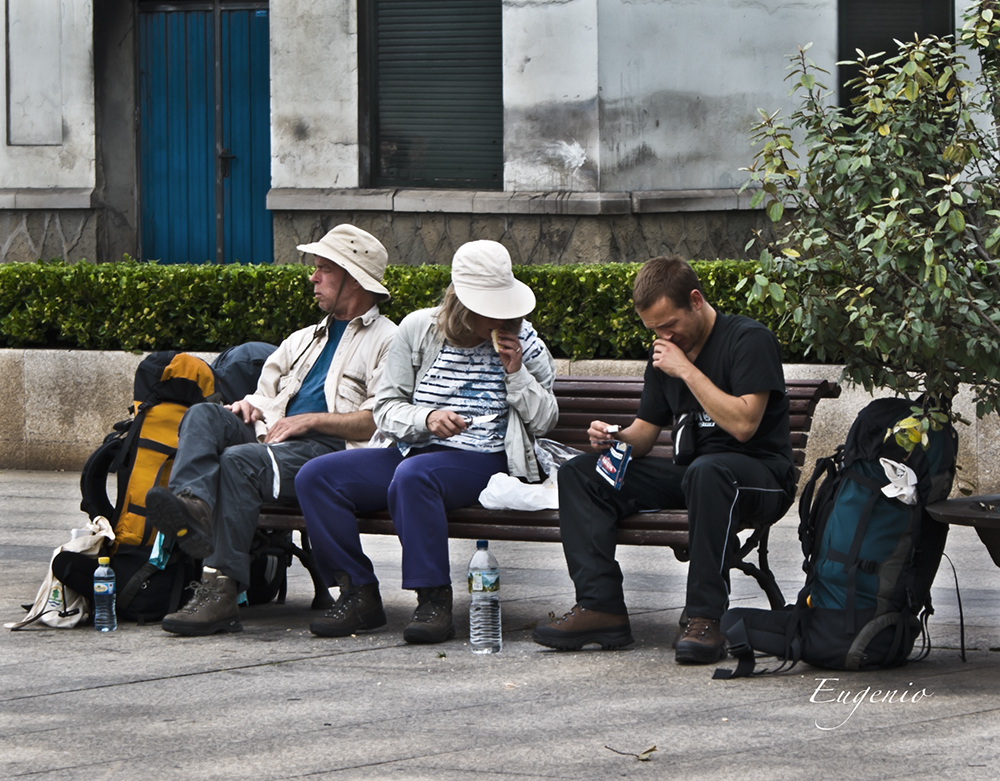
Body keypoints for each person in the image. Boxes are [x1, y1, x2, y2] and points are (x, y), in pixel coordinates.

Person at [532, 255, 795, 664]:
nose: (664, 337)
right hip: (696, 477)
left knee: (710, 471)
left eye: (669, 325)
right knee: (580, 474)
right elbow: (644, 435)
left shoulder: (748, 339)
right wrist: (613, 437)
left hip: (759, 477)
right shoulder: (664, 356)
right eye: (654, 330)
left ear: (695, 300)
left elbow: (744, 424)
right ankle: (600, 607)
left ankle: (705, 618)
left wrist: (687, 371)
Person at [295, 240, 558, 644]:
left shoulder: (526, 342)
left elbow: (545, 421)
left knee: (415, 477)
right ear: (462, 304)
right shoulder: (420, 329)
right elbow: (386, 408)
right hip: (412, 450)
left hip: (485, 458)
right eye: (486, 308)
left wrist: (517, 373)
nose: (496, 318)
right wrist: (427, 418)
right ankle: (357, 593)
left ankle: (433, 598)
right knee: (317, 477)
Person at [147, 225, 398, 636]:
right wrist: (249, 406)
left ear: (353, 277)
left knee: (239, 462)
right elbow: (268, 397)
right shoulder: (303, 339)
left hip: (330, 452)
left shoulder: (389, 339)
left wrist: (311, 419)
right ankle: (193, 507)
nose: (312, 278)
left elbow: (376, 419)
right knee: (203, 415)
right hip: (274, 441)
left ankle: (219, 593)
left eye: (323, 269)